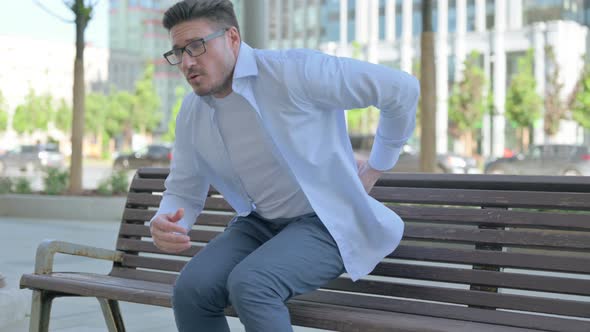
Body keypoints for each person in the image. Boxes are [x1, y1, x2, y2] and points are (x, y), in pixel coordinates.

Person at [150, 1, 419, 331]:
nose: (187, 62)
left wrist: (378, 165)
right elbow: (183, 189)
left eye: (197, 46)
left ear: (232, 37)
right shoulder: (192, 111)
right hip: (259, 223)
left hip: (325, 222)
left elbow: (401, 89)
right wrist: (168, 220)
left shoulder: (296, 71)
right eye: (178, 52)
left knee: (252, 285)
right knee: (192, 290)